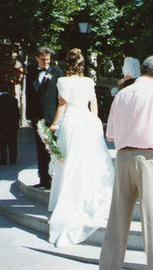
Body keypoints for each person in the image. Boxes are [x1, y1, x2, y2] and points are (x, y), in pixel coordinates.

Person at [100, 56, 153, 270]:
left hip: (123, 157)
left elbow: (110, 135)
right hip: (150, 159)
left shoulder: (122, 94)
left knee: (117, 221)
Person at [46, 49, 114, 247]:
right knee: (90, 159)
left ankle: (67, 196)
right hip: (88, 121)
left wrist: (54, 124)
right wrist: (94, 120)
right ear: (82, 64)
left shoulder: (63, 81)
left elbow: (62, 104)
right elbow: (93, 102)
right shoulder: (88, 81)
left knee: (70, 160)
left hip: (73, 123)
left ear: (67, 63)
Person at [26, 46, 64, 189]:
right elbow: (28, 95)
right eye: (43, 60)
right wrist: (29, 117)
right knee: (40, 148)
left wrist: (59, 118)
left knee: (52, 148)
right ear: (37, 58)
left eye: (48, 59)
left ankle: (54, 178)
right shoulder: (31, 74)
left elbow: (60, 97)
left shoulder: (57, 73)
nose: (46, 62)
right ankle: (43, 179)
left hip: (52, 116)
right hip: (37, 116)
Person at [0, 83, 20, 165]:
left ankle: (3, 159)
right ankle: (13, 158)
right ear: (8, 90)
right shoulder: (14, 100)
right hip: (12, 124)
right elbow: (17, 112)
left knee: (2, 143)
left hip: (1, 124)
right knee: (13, 142)